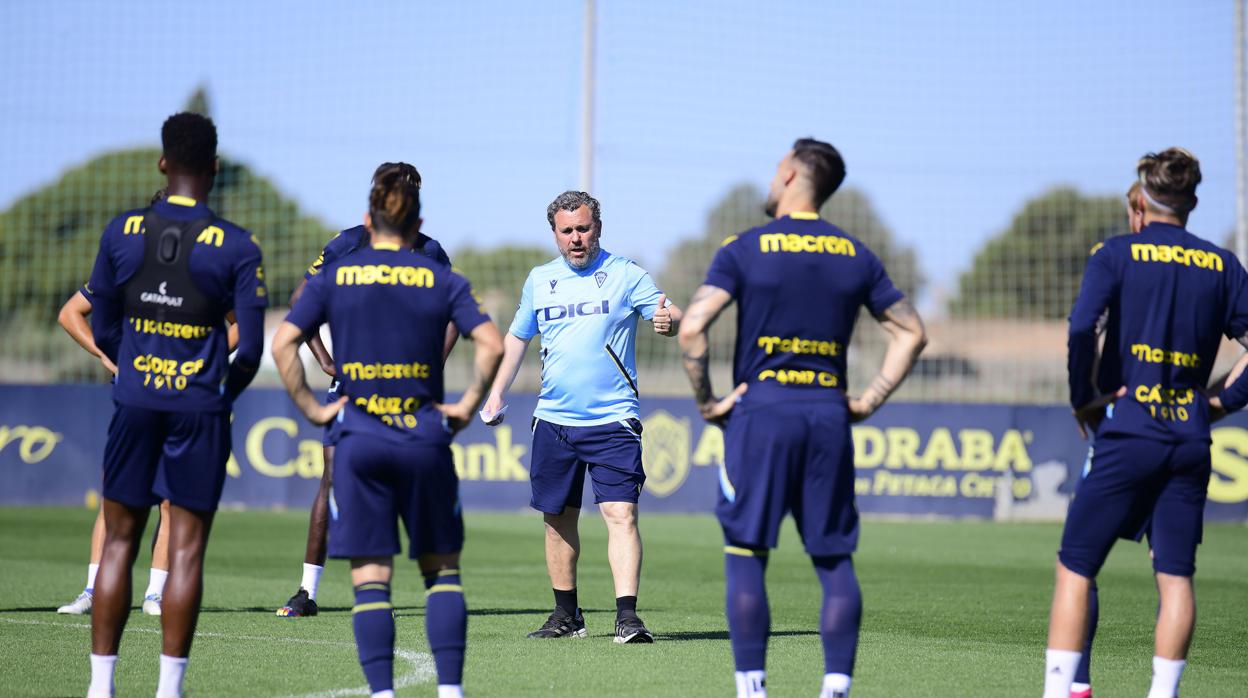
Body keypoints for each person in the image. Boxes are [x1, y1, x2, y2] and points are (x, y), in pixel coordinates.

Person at [677, 138, 926, 698]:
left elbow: (693, 327)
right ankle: (835, 688)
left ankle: (752, 689)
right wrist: (867, 401)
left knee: (746, 551)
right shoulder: (856, 254)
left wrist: (708, 400)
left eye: (774, 170)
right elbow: (912, 332)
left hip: (761, 412)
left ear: (790, 174)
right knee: (834, 557)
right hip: (826, 415)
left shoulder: (745, 247)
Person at [272, 164, 502, 698]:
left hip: (360, 436)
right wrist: (463, 407)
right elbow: (490, 343)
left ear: (367, 219)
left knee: (371, 578)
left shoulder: (337, 275)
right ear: (417, 218)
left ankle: (381, 693)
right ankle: (450, 692)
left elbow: (284, 341)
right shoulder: (439, 275)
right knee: (442, 573)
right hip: (422, 435)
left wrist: (313, 407)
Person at [1046, 148, 1248, 698]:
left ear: (1142, 197)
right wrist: (1221, 403)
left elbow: (1082, 328)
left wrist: (1082, 397)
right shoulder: (1223, 265)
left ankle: (1061, 690)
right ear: (1192, 202)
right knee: (1176, 575)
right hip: (1188, 434)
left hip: (1130, 427)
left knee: (1076, 565)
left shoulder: (1115, 255)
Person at [84, 112, 266, 698]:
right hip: (198, 409)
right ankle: (169, 691)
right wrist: (216, 394)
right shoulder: (238, 246)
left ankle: (100, 687)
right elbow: (252, 348)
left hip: (134, 400)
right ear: (214, 169)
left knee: (118, 541)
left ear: (163, 164)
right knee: (185, 548)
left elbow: (104, 325)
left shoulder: (121, 232)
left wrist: (136, 371)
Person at [482, 190, 681, 644]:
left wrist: (670, 319)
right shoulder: (540, 279)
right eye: (567, 231)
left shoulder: (626, 274)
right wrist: (496, 393)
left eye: (583, 229)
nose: (576, 239)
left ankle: (627, 618)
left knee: (620, 513)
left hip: (612, 421)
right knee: (556, 518)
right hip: (553, 421)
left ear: (599, 228)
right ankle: (566, 616)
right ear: (554, 233)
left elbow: (670, 314)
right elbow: (517, 340)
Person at [277, 162, 457, 619]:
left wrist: (433, 364)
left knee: (417, 483)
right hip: (354, 390)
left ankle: (430, 590)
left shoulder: (431, 251)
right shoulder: (347, 243)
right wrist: (322, 358)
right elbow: (300, 304)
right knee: (334, 478)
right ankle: (307, 589)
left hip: (411, 395)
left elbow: (456, 316)